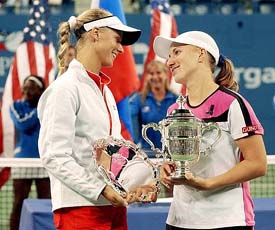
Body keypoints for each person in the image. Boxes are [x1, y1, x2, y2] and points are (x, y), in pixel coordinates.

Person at [37, 8, 158, 230]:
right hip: (80, 208)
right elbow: (53, 156)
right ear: (95, 34)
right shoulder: (64, 89)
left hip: (113, 205)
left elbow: (112, 154)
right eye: (117, 39)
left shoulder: (105, 91)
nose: (121, 48)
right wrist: (100, 190)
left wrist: (139, 183)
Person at [153, 31, 267, 230]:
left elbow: (257, 164)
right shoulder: (174, 110)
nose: (169, 62)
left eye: (176, 52)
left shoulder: (233, 104)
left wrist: (207, 184)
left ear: (200, 54)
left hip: (227, 221)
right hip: (180, 221)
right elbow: (178, 159)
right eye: (169, 56)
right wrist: (168, 167)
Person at [9, 75, 50, 230]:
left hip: (44, 162)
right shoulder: (16, 106)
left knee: (46, 203)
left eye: (31, 87)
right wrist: (40, 107)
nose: (26, 90)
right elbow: (23, 124)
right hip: (22, 162)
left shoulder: (48, 107)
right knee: (18, 203)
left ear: (40, 90)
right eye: (24, 86)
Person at [130, 60, 178, 151]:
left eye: (158, 73)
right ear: (147, 77)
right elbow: (134, 132)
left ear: (166, 75)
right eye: (151, 73)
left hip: (171, 154)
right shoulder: (138, 100)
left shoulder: (176, 100)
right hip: (147, 155)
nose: (155, 77)